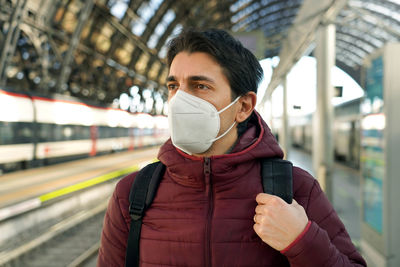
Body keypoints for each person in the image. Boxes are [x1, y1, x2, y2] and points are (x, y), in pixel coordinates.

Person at [98, 28, 367, 267]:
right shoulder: (132, 193)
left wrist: (302, 241)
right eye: (173, 86)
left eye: (200, 86)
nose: (179, 100)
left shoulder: (296, 189)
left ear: (243, 106)